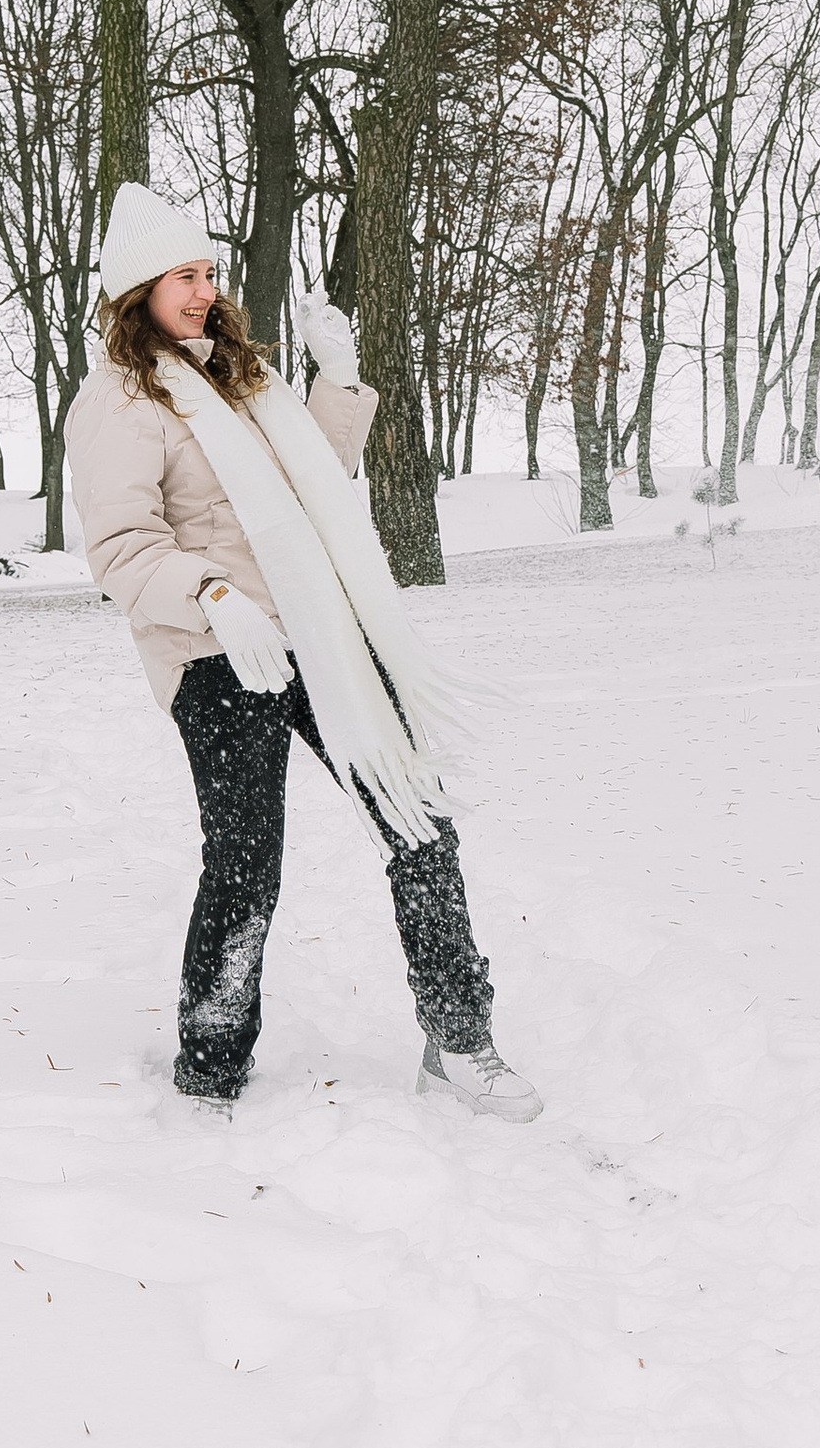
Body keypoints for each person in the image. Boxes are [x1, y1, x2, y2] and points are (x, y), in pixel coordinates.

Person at [66, 182, 540, 1122]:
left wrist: (336, 382)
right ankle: (210, 1065)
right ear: (136, 292)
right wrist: (211, 595)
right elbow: (122, 549)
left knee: (417, 822)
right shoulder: (118, 403)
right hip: (218, 656)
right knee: (246, 863)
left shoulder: (244, 379)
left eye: (208, 272)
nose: (205, 291)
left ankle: (459, 1039)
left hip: (321, 635)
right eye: (183, 277)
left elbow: (315, 484)